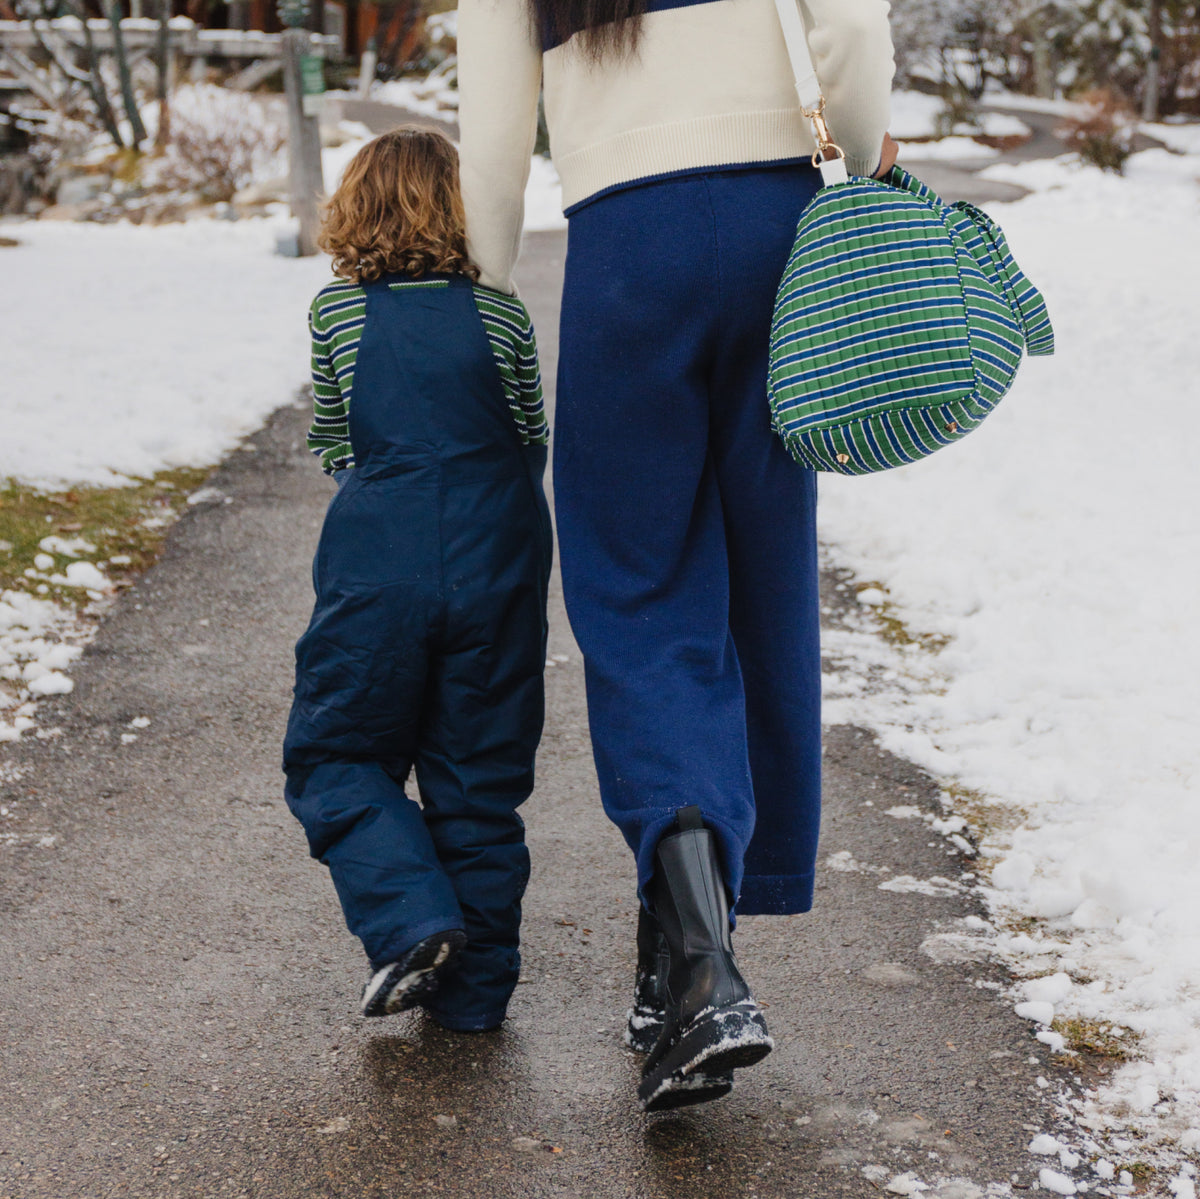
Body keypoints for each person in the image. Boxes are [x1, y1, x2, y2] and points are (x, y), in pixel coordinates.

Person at [456, 0, 896, 1108]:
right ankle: (684, 960)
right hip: (779, 223)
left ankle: (696, 962)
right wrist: (857, 140)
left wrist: (485, 295)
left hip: (625, 244)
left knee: (641, 590)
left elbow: (495, 127)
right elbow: (850, 20)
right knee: (762, 578)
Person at [282, 127, 553, 1034]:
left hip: (380, 559)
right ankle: (473, 1002)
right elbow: (529, 433)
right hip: (502, 552)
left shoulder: (339, 314)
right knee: (478, 780)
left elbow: (335, 440)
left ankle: (411, 923)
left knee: (338, 752)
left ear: (355, 207)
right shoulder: (502, 311)